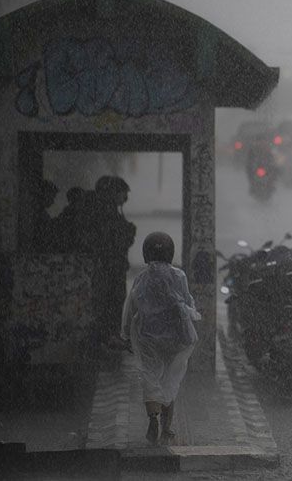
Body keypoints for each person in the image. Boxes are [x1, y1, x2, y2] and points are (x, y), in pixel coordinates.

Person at [121, 232, 201, 445]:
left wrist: (126, 334)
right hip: (175, 338)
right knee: (170, 379)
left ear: (146, 253)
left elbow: (131, 308)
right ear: (170, 252)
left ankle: (153, 418)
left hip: (147, 337)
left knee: (150, 377)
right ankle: (167, 428)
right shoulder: (179, 276)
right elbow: (187, 302)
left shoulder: (142, 277)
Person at [90, 176, 136, 345]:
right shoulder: (106, 212)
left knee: (114, 300)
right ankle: (108, 335)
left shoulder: (111, 211)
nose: (125, 197)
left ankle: (109, 334)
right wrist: (128, 232)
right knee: (111, 300)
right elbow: (111, 240)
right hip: (109, 266)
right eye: (123, 193)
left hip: (113, 266)